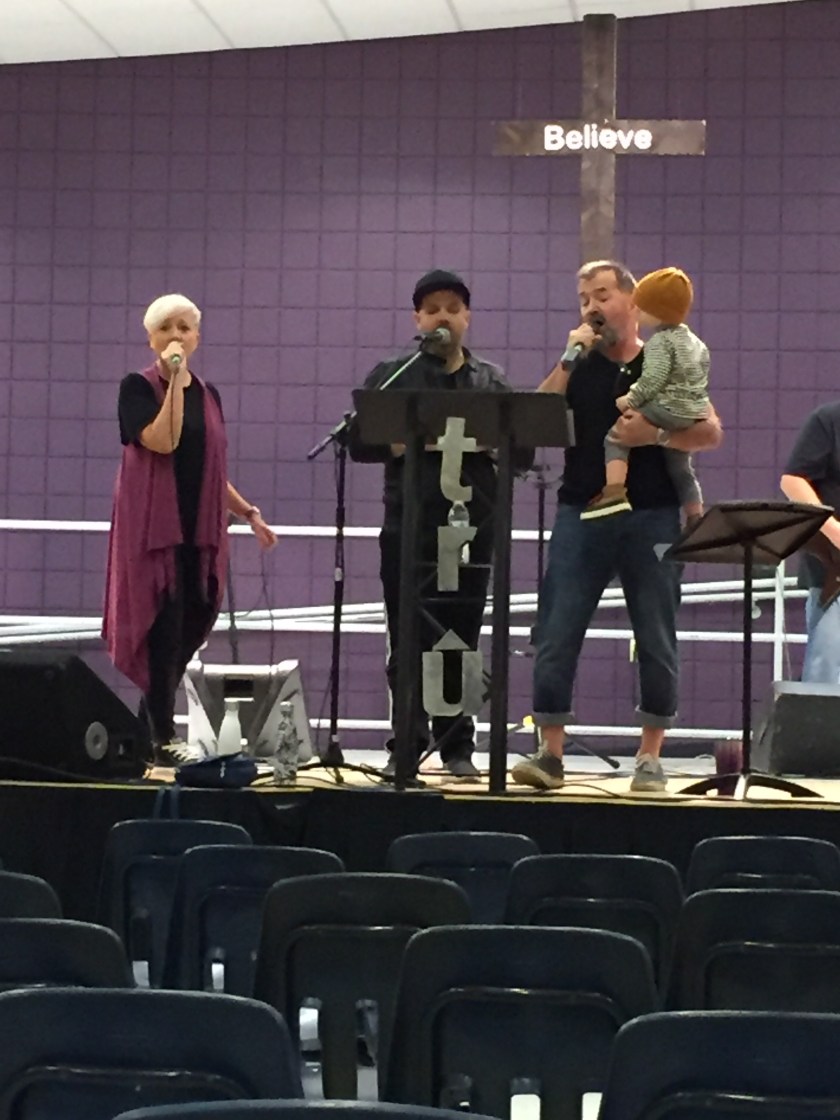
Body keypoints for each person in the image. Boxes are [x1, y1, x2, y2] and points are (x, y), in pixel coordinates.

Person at [511, 260, 722, 793]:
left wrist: (655, 437)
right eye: (584, 298)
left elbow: (709, 431)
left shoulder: (665, 356)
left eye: (602, 295)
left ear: (633, 301)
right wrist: (567, 357)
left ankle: (649, 757)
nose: (592, 307)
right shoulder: (578, 364)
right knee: (557, 629)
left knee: (655, 633)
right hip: (581, 511)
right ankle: (550, 753)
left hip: (653, 515)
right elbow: (534, 417)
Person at [348, 269, 519, 780]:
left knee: (460, 637)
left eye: (452, 308)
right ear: (417, 320)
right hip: (410, 524)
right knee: (407, 636)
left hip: (471, 528)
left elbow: (522, 449)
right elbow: (358, 442)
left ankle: (456, 745)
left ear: (467, 318)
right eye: (432, 309)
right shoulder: (395, 374)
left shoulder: (490, 381)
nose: (442, 316)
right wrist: (408, 443)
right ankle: (407, 743)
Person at [103, 294, 277, 767]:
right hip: (154, 533)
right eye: (166, 329)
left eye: (184, 328)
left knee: (186, 628)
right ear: (151, 339)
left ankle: (146, 731)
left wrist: (249, 513)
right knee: (161, 626)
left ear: (197, 337)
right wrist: (175, 384)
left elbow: (210, 470)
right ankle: (163, 737)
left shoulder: (209, 394)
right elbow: (163, 441)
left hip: (198, 532)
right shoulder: (136, 388)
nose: (176, 336)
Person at [581, 266, 709, 523]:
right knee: (681, 468)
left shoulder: (659, 344)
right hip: (689, 409)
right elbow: (700, 375)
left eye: (603, 297)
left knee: (617, 437)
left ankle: (614, 491)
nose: (637, 310)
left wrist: (631, 401)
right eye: (584, 301)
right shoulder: (695, 343)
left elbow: (652, 380)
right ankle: (695, 514)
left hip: (666, 410)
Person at [781, 406, 840, 683]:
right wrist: (834, 531)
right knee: (826, 675)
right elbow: (793, 481)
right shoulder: (830, 420)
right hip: (833, 571)